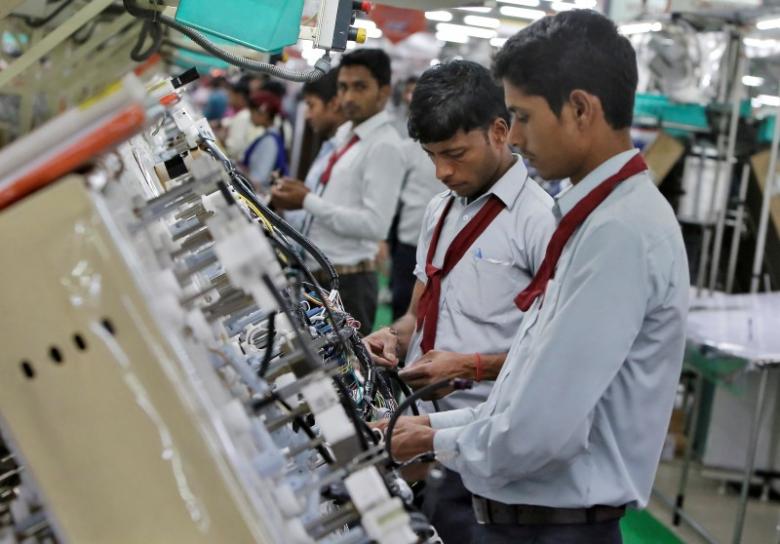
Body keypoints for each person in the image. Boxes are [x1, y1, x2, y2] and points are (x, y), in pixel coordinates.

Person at [383, 10, 690, 544]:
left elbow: (536, 431)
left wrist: (433, 442)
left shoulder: (619, 233)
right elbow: (526, 391)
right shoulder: (593, 219)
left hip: (554, 528)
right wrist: (428, 427)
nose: (515, 136)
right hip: (526, 515)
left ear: (578, 109)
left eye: (522, 116)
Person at [362, 60, 555, 542]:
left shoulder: (541, 222)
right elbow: (417, 312)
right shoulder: (438, 209)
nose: (442, 171)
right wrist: (393, 336)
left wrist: (468, 367)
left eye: (455, 153)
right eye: (431, 156)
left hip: (487, 448)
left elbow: (556, 361)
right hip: (421, 435)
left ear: (498, 131)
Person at [270, 49, 404, 335]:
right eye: (343, 87)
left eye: (360, 87)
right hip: (319, 277)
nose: (349, 98)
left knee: (340, 374)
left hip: (349, 284)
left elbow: (374, 225)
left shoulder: (385, 146)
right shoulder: (346, 137)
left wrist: (307, 201)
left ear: (384, 91)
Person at [387, 75, 446, 320]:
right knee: (402, 298)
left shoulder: (448, 146)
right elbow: (392, 193)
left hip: (441, 238)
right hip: (409, 234)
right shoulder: (406, 147)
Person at [283, 69, 348, 233]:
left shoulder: (344, 153)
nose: (307, 115)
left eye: (311, 105)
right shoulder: (330, 147)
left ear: (333, 104)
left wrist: (301, 199)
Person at [242, 90, 288, 191]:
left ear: (263, 113)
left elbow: (257, 180)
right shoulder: (269, 137)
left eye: (252, 112)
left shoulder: (269, 142)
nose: (250, 116)